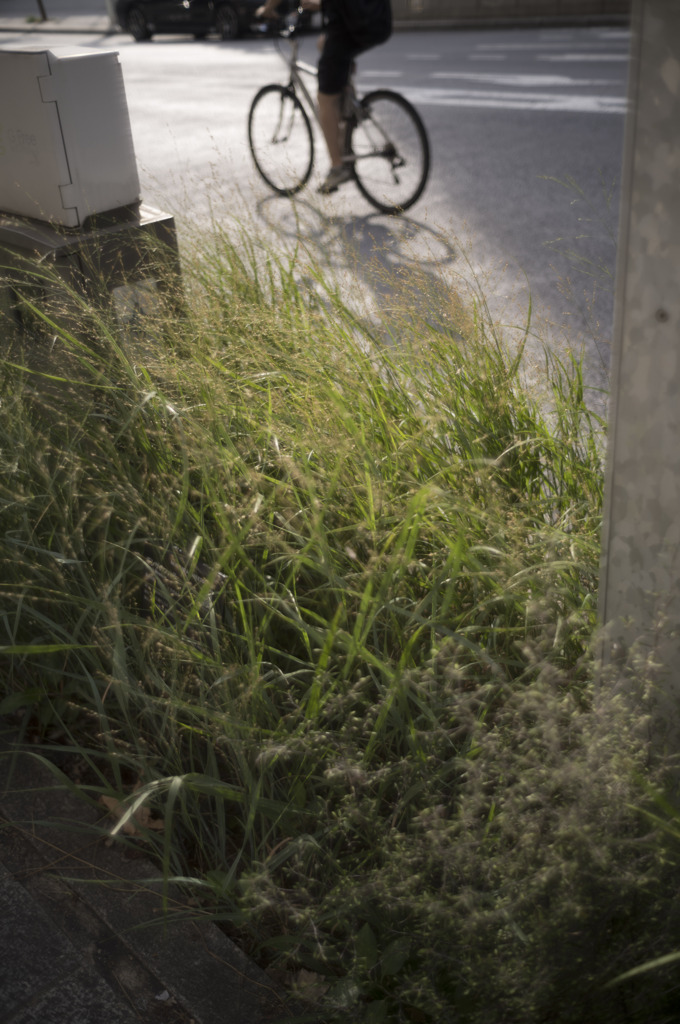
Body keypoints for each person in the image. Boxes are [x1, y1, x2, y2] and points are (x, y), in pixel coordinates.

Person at [256, 0, 392, 194]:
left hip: (350, 28)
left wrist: (268, 9)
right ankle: (348, 100)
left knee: (325, 100)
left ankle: (338, 168)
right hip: (378, 20)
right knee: (324, 44)